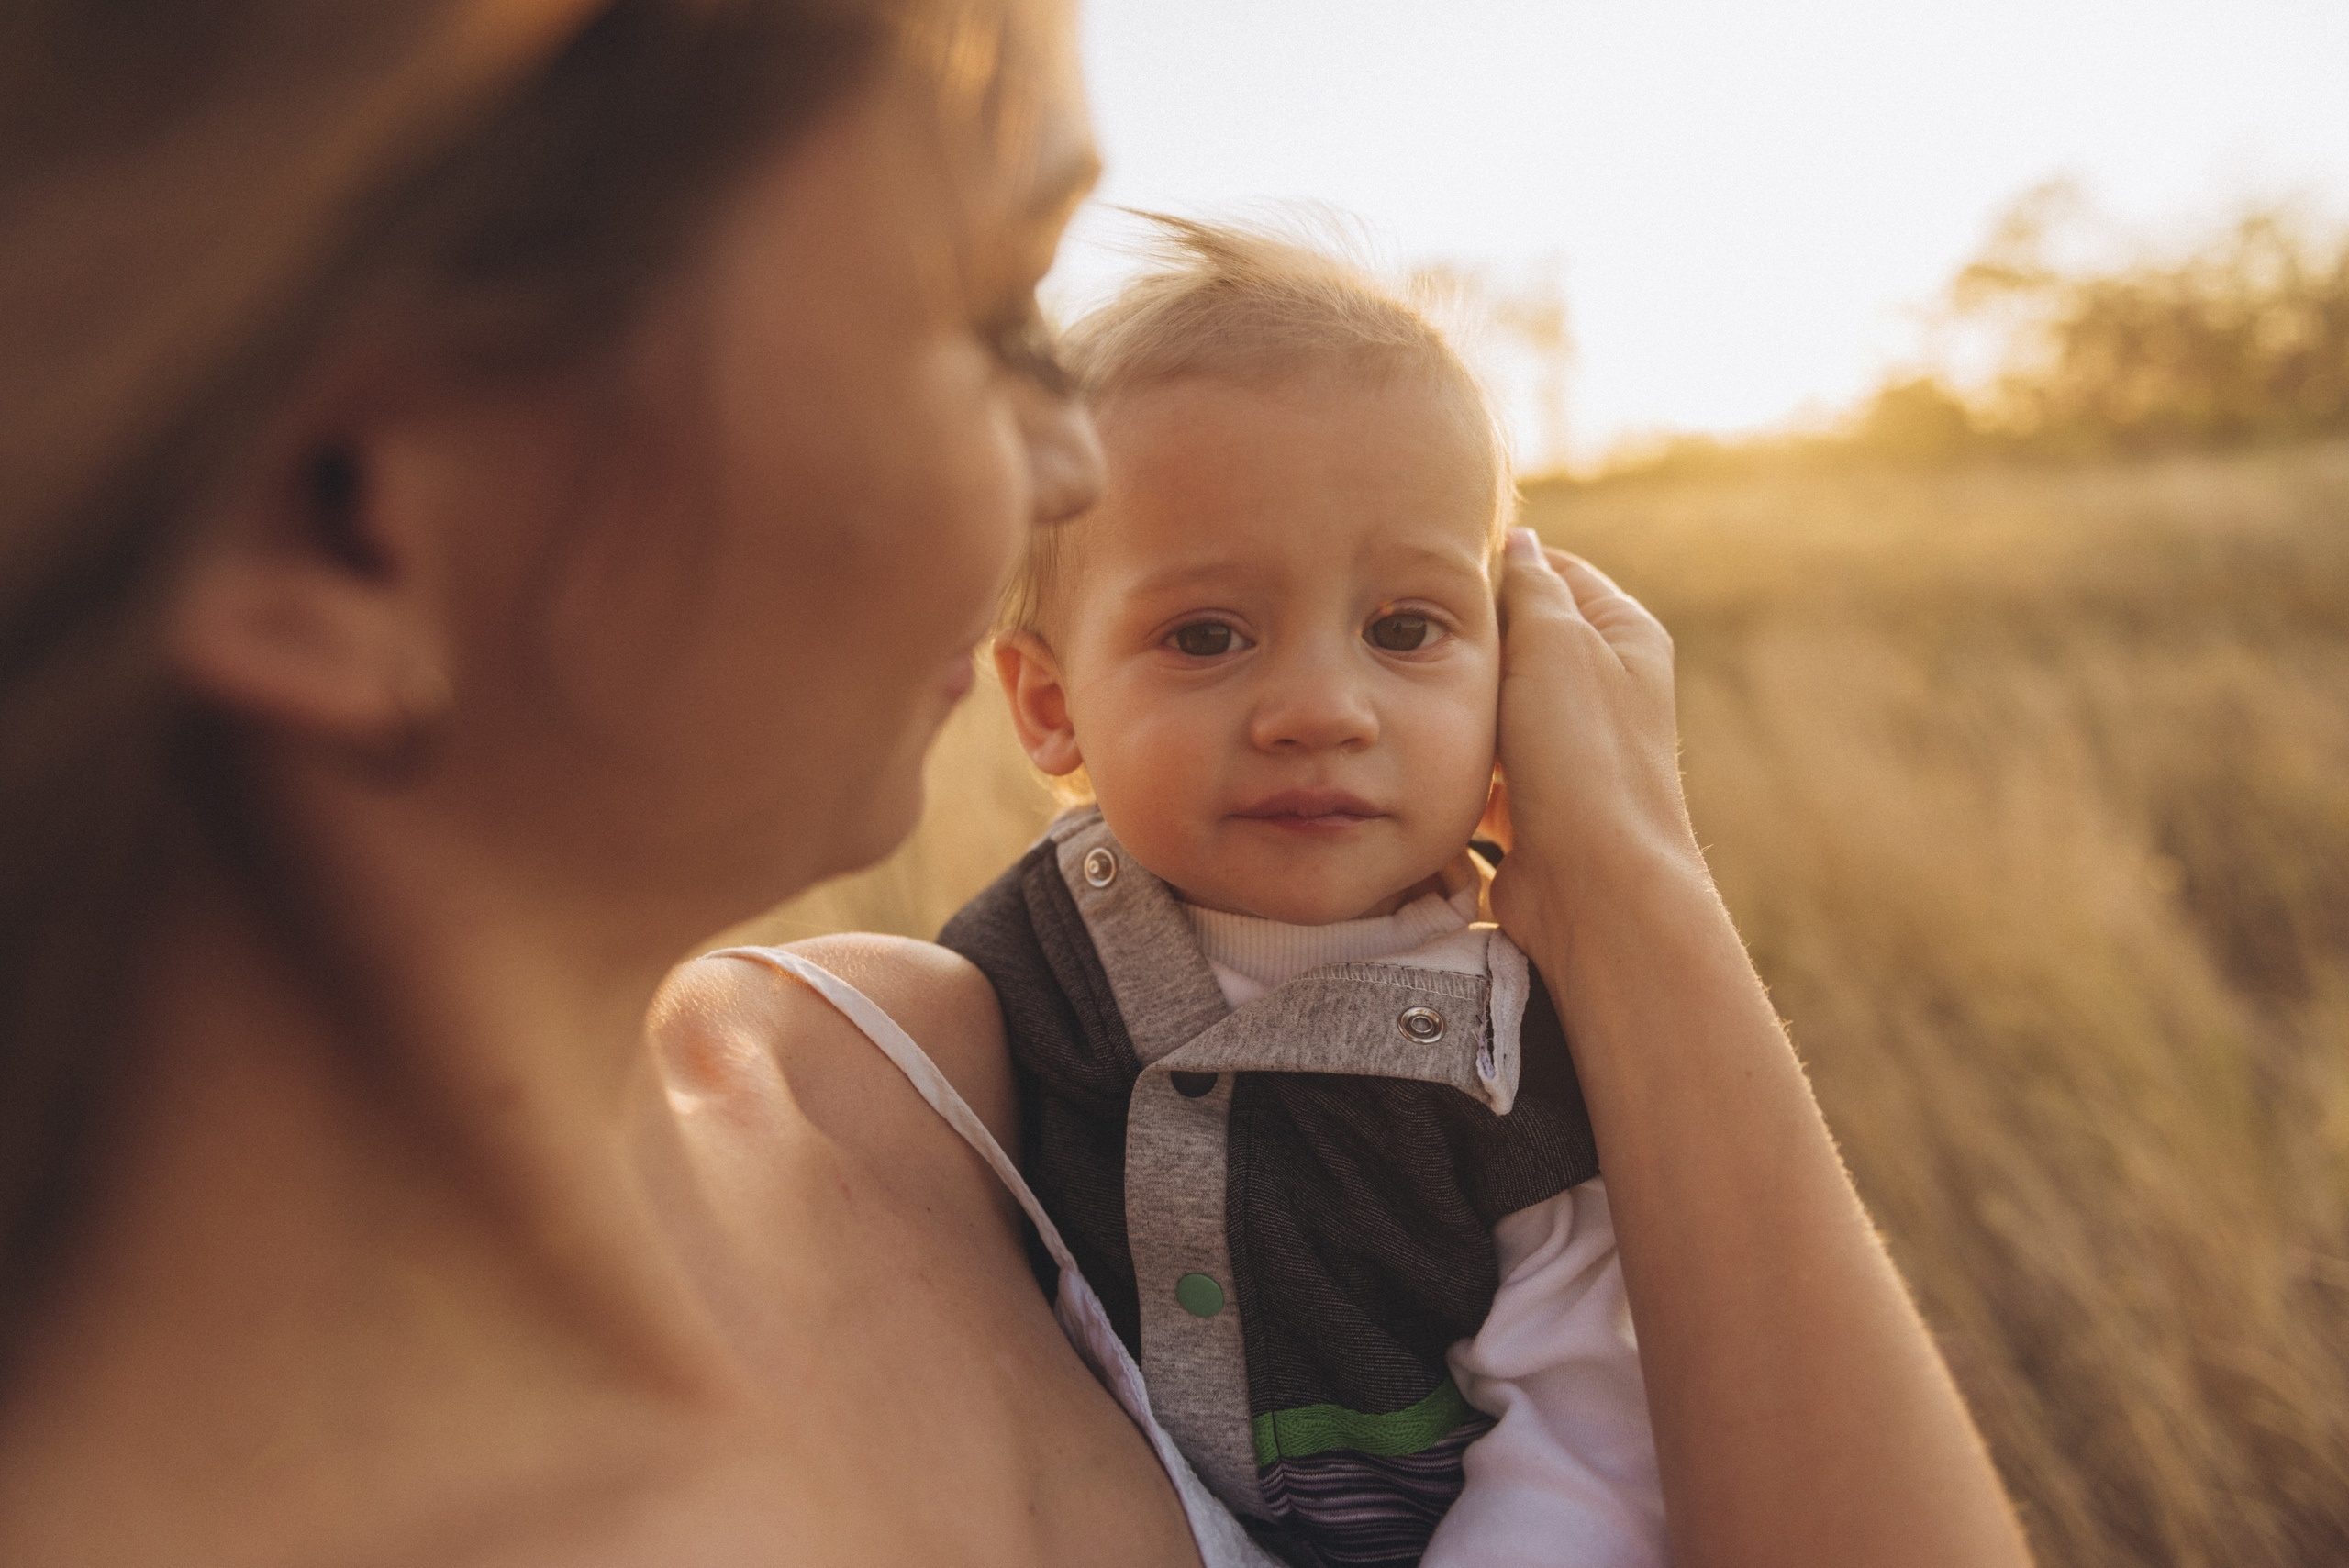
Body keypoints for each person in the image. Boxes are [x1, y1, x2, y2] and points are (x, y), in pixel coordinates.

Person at [0, 5, 2035, 1568]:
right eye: (994, 324)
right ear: (340, 514)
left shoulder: (900, 1072)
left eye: (1403, 623)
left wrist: (1627, 891)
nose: (1064, 474)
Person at [933, 218, 1662, 1568]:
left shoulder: (1519, 1042)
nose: (1322, 710)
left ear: (1514, 670)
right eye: (1206, 636)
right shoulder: (1017, 962)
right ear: (1048, 702)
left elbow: (1590, 1434)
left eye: (1404, 630)